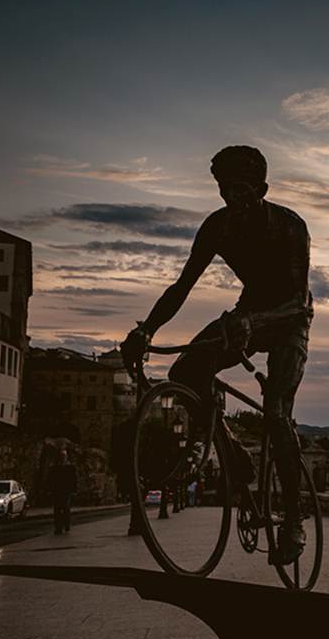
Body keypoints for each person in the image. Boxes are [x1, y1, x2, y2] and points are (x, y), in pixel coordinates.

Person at [121, 145, 312, 564]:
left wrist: (256, 323)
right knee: (188, 367)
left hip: (289, 321)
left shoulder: (290, 226)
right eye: (225, 190)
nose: (233, 199)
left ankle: (294, 518)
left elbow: (299, 301)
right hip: (247, 312)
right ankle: (226, 450)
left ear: (262, 188)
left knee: (277, 413)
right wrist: (146, 329)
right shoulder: (217, 227)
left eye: (241, 190)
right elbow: (181, 287)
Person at [50, 447, 77, 534]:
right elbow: (51, 480)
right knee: (57, 509)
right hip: (57, 491)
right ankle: (58, 527)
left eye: (63, 456)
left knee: (65, 508)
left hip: (67, 491)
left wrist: (74, 490)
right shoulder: (54, 468)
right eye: (61, 456)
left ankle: (66, 524)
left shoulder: (70, 468)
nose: (62, 458)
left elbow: (73, 480)